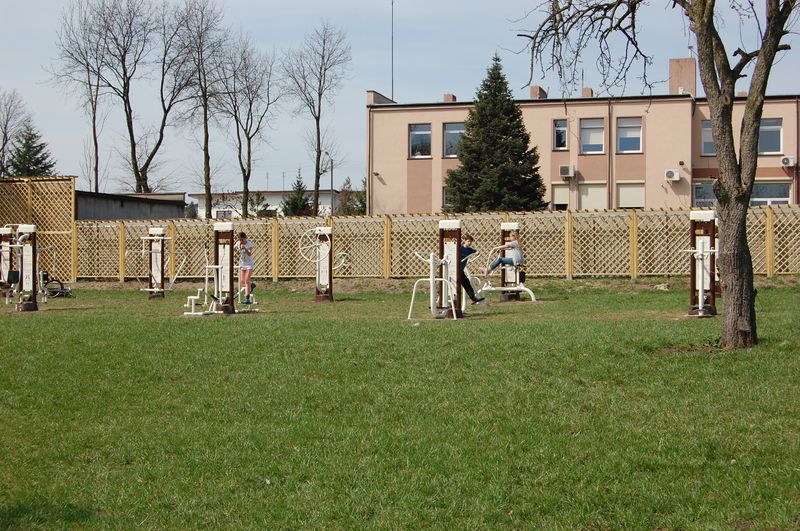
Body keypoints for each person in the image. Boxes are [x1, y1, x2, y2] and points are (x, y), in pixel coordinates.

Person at [460, 234, 484, 304]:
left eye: (471, 242)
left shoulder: (470, 250)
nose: (469, 243)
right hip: (455, 269)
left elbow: (476, 251)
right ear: (464, 241)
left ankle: (473, 298)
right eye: (468, 241)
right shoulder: (460, 248)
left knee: (467, 283)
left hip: (460, 270)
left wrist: (477, 252)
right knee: (464, 283)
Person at [234, 231, 255, 304]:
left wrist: (245, 248)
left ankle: (247, 298)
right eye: (240, 239)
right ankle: (252, 285)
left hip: (249, 265)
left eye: (242, 239)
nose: (241, 241)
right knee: (243, 281)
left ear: (245, 238)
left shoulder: (249, 244)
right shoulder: (238, 243)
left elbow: (249, 254)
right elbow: (233, 249)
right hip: (242, 264)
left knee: (246, 281)